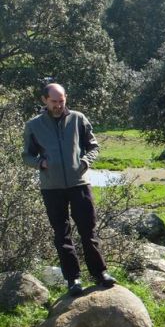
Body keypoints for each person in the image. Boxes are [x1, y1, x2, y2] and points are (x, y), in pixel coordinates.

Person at [22, 83, 116, 297]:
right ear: (44, 100)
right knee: (61, 235)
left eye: (61, 101)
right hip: (51, 187)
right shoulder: (34, 125)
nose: (58, 105)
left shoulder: (78, 119)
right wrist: (40, 163)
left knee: (88, 231)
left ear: (66, 98)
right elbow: (27, 155)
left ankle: (100, 273)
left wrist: (85, 162)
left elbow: (93, 146)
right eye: (54, 101)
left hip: (79, 184)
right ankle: (73, 279)